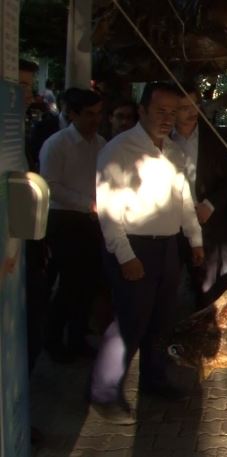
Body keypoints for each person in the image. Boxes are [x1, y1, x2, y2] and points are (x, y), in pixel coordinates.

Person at [90, 82, 204, 424]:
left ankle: (154, 380)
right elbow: (109, 212)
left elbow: (185, 202)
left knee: (161, 321)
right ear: (142, 111)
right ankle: (105, 393)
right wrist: (126, 257)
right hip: (133, 247)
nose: (168, 118)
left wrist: (195, 241)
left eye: (174, 111)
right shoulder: (118, 150)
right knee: (129, 321)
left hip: (168, 247)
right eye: (161, 111)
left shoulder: (174, 152)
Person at [39, 89, 106, 362]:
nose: (95, 120)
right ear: (73, 113)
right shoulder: (57, 144)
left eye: (99, 114)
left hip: (93, 220)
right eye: (89, 114)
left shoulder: (100, 143)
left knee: (88, 284)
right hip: (65, 221)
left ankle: (78, 340)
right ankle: (53, 342)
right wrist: (87, 203)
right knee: (69, 285)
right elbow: (50, 186)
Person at [171, 86, 227, 306]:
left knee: (206, 288)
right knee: (169, 287)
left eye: (195, 105)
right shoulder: (162, 139)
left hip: (205, 222)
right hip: (170, 225)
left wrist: (210, 204)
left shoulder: (216, 137)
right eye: (184, 108)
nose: (192, 112)